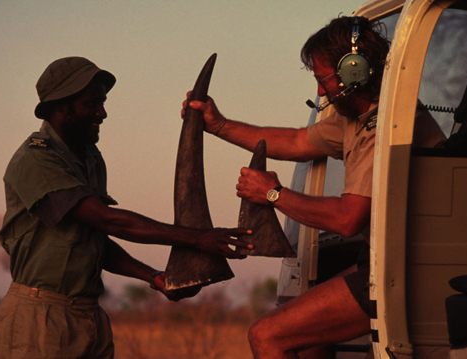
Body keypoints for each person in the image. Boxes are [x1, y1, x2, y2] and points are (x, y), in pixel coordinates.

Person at [182, 16, 446, 359]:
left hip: (413, 269)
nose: (321, 91)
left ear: (354, 71)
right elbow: (294, 142)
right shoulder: (355, 117)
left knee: (266, 336)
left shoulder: (386, 124)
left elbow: (348, 219)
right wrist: (219, 126)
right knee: (308, 340)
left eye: (324, 80)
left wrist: (273, 194)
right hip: (391, 261)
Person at [0, 56, 253, 359]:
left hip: (89, 315)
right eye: (92, 104)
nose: (102, 113)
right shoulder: (36, 159)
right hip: (40, 318)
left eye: (103, 102)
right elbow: (108, 220)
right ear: (61, 106)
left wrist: (153, 277)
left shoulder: (89, 159)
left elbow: (94, 242)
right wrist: (197, 238)